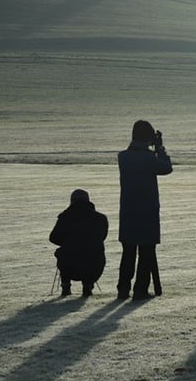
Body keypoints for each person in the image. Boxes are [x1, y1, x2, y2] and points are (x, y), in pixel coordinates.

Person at [117, 120, 173, 301]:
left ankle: (123, 288)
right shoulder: (149, 159)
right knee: (146, 252)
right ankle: (140, 289)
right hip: (147, 210)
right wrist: (160, 148)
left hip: (128, 211)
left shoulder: (123, 157)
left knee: (128, 252)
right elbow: (166, 168)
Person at [49, 189, 108, 297]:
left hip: (69, 263)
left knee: (63, 253)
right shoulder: (100, 218)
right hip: (94, 263)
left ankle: (66, 285)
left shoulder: (65, 217)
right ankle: (88, 285)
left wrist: (66, 242)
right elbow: (102, 236)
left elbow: (53, 238)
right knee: (94, 253)